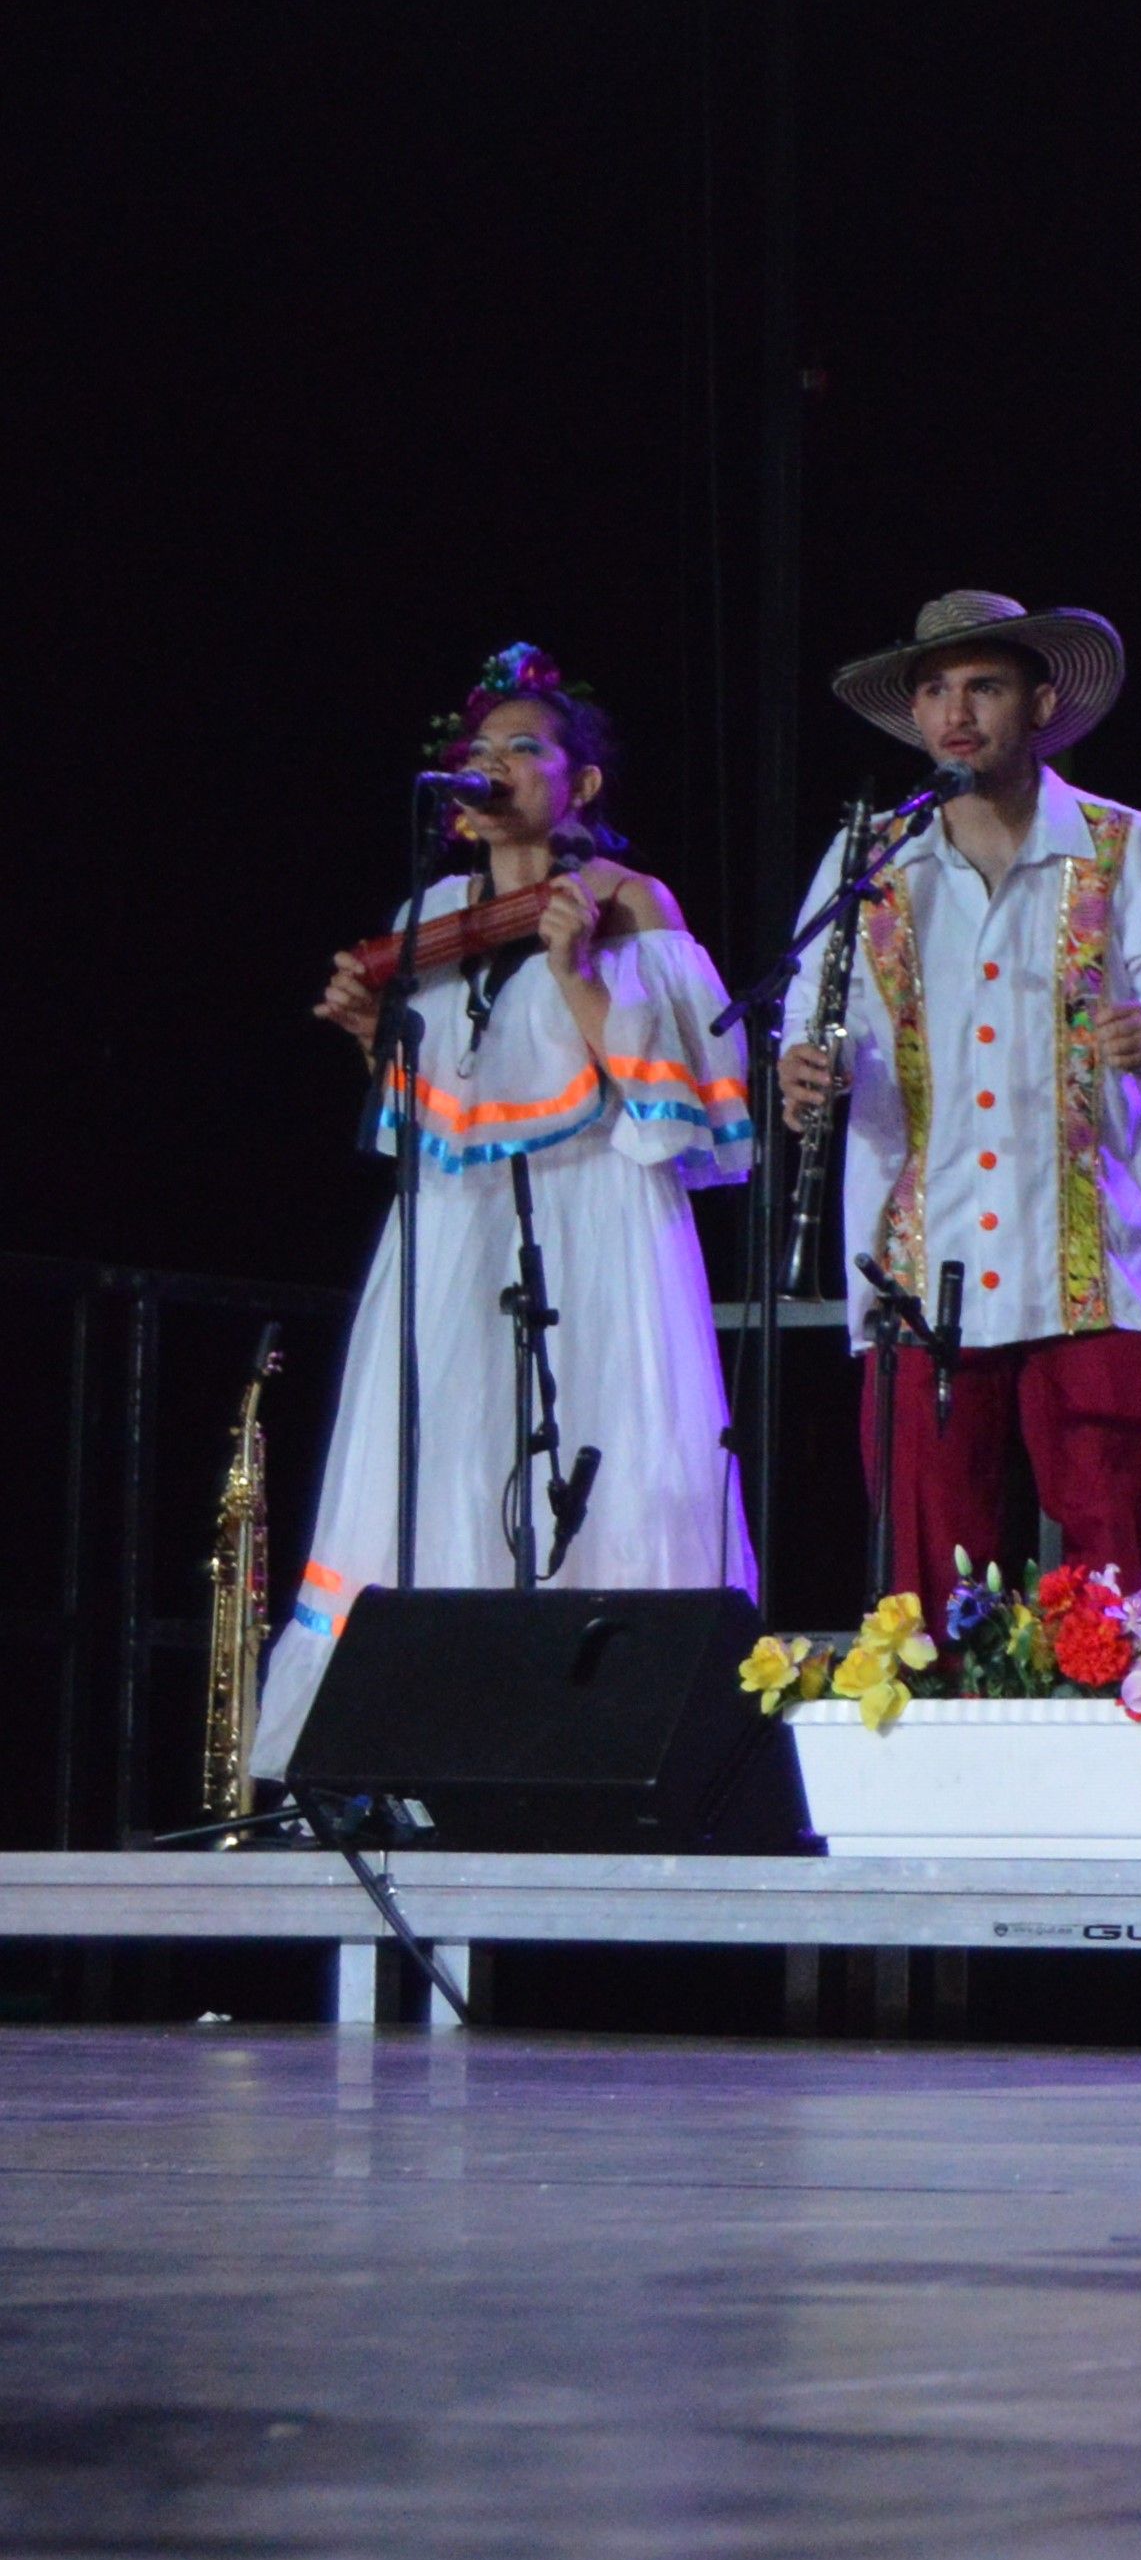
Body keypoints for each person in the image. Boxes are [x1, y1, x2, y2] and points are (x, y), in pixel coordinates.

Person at [255, 646, 757, 1772]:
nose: (490, 767)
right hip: (455, 1220)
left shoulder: (628, 901)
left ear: (580, 783)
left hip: (592, 1221)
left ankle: (605, 1739)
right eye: (474, 753)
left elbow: (672, 1109)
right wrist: (366, 1035)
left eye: (522, 747)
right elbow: (435, 1104)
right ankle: (408, 1742)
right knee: (441, 1454)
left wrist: (581, 971)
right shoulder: (430, 911)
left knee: (597, 1444)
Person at [772, 590, 1141, 1595]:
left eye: (983, 684)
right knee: (926, 1557)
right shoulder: (872, 860)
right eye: (934, 689)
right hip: (918, 1251)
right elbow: (813, 1011)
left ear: (1039, 700)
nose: (955, 709)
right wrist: (807, 1066)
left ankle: (1125, 1728)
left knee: (1115, 1544)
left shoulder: (1120, 844)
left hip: (1086, 1252)